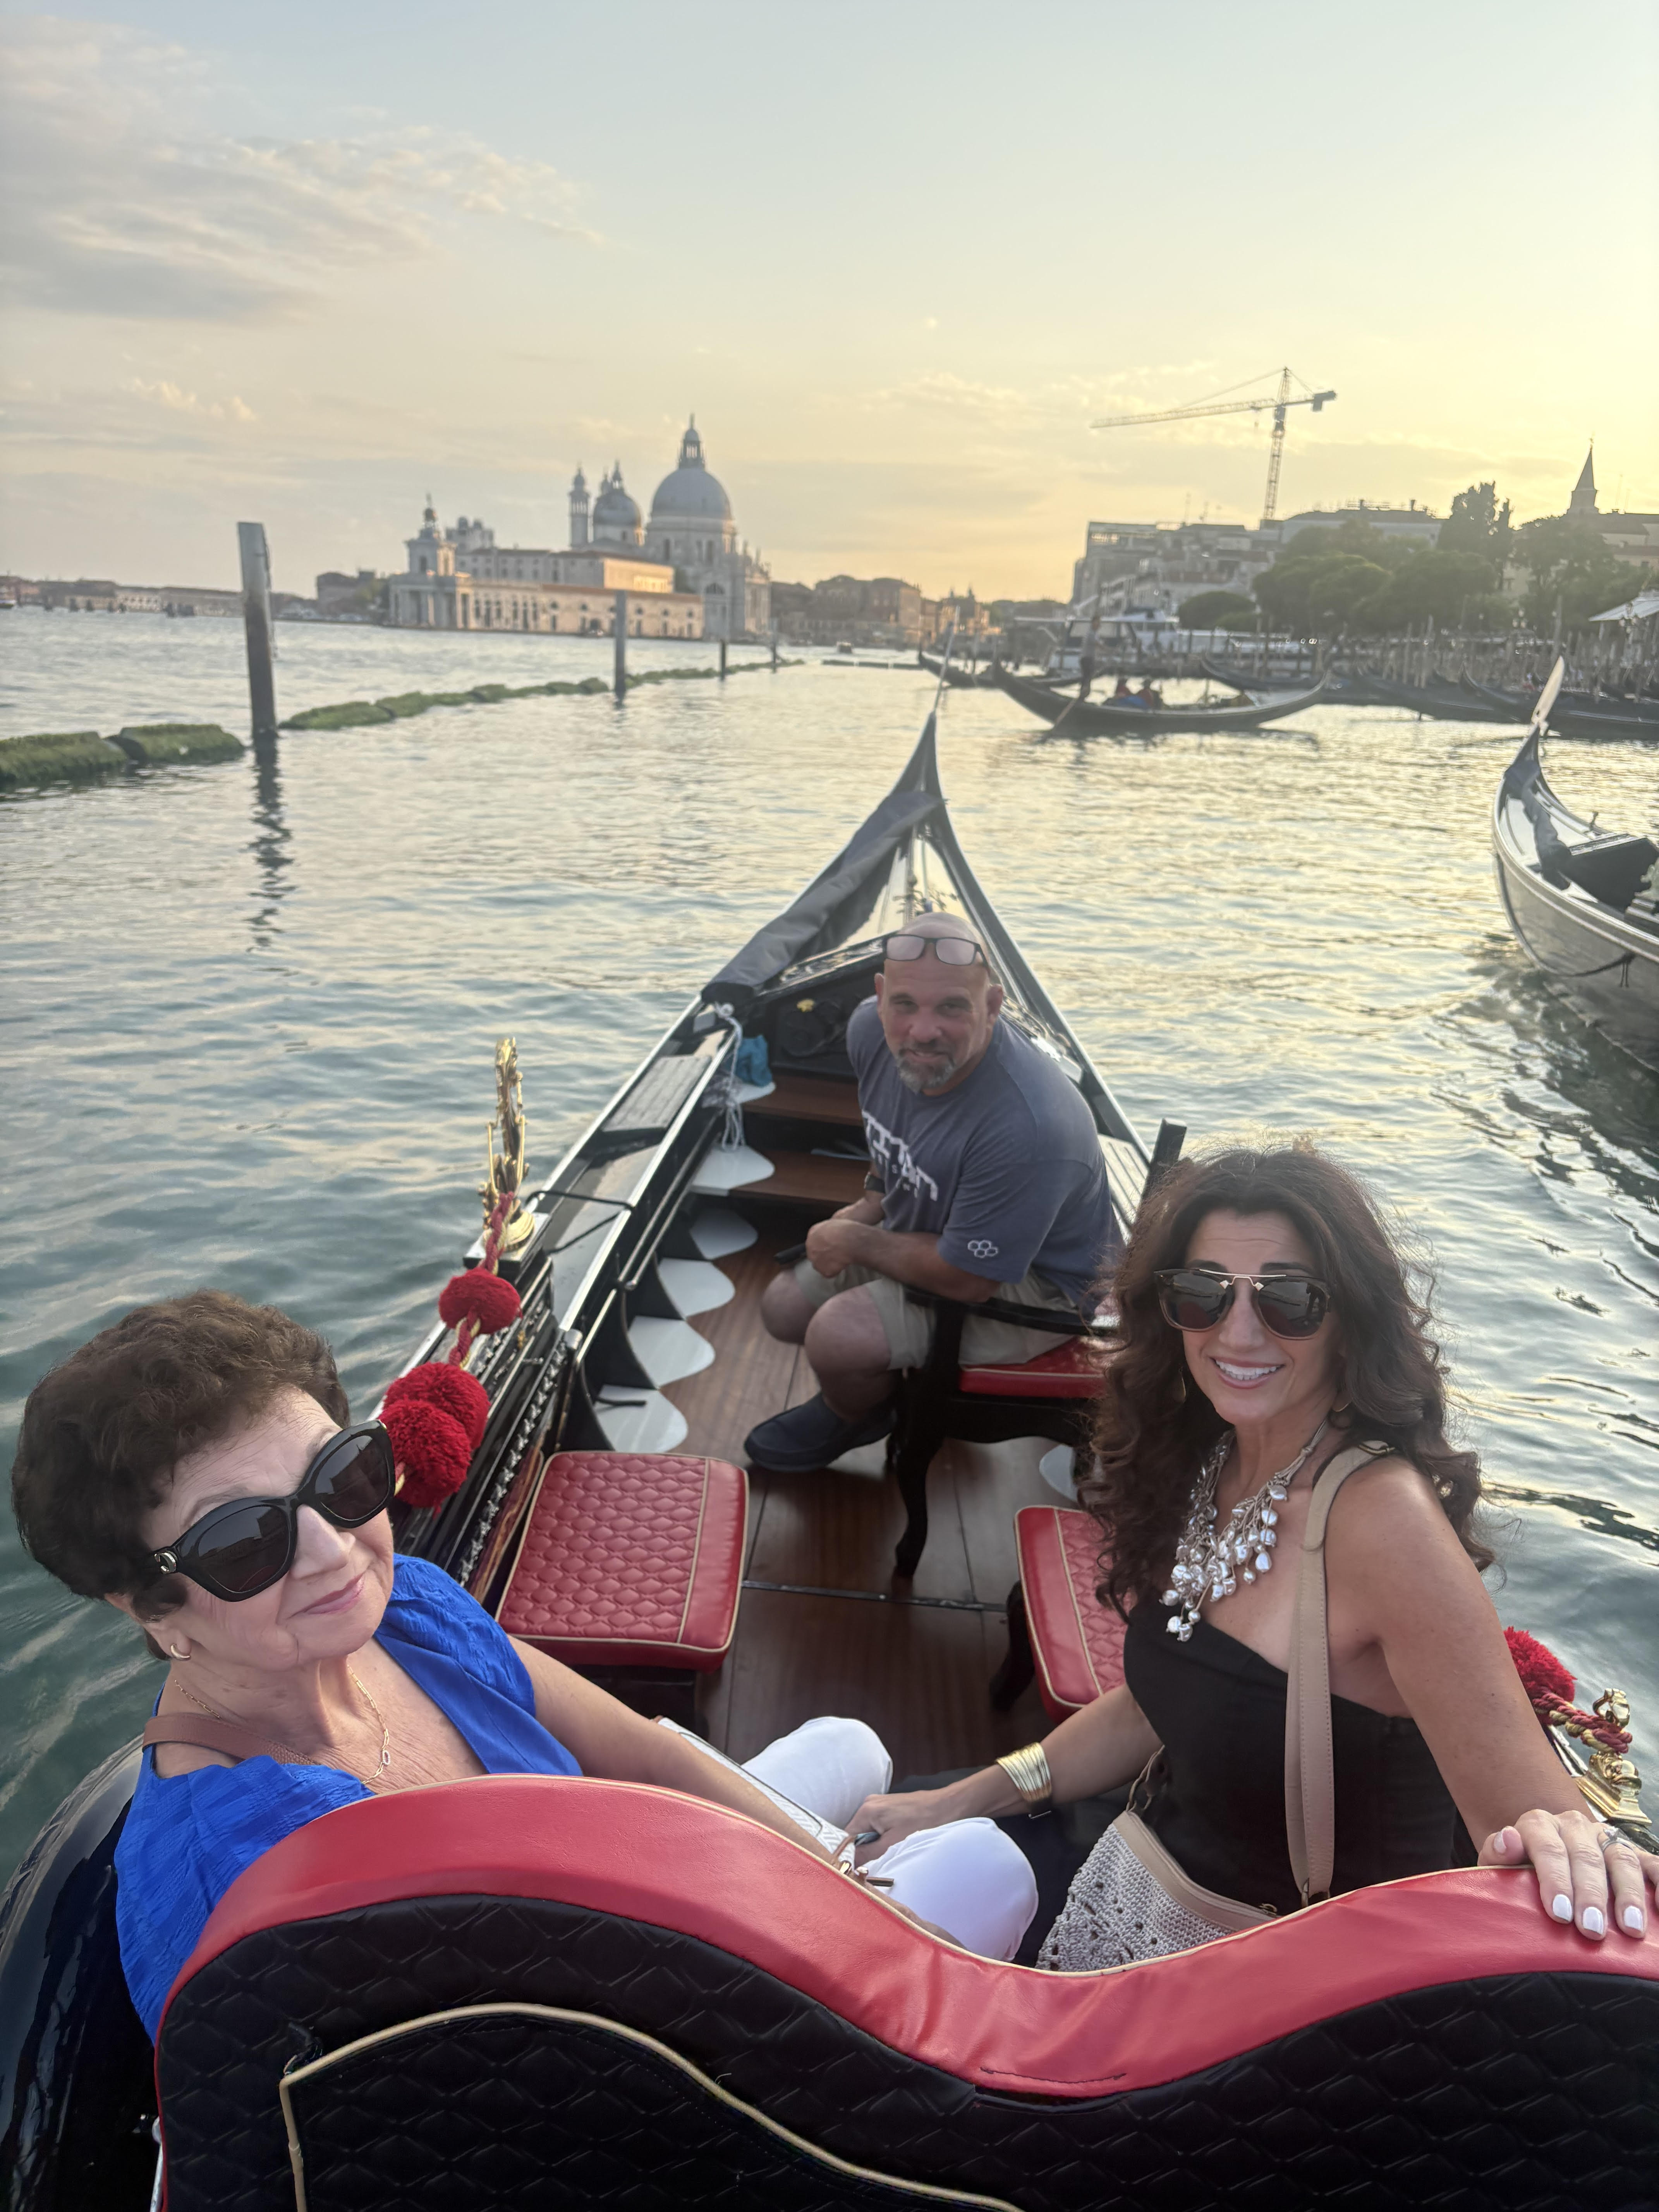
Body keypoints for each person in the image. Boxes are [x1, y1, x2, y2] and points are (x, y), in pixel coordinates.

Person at [10, 1292, 1037, 2037]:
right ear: (146, 1605)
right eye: (242, 1540)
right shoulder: (252, 1884)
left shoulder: (407, 1609)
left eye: (342, 1476)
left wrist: (843, 1899)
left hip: (632, 1881)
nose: (333, 1549)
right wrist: (857, 1952)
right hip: (629, 2025)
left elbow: (641, 1752)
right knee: (986, 1866)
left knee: (851, 1744)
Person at [844, 1146, 1659, 1966]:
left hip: (1272, 1973)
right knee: (864, 1793)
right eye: (1201, 1293)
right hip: (1149, 1865)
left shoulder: (1384, 1523)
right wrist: (960, 1799)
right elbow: (1152, 1707)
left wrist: (1579, 1847)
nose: (1237, 1332)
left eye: (1290, 1300)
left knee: (865, 1914)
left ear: (1352, 1319)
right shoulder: (1212, 1458)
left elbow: (1533, 1827)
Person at [744, 914, 1118, 1474]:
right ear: (879, 997)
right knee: (784, 1308)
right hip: (938, 1228)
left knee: (837, 1337)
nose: (922, 1031)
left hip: (1039, 1285)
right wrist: (874, 1198)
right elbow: (888, 1126)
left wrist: (855, 1240)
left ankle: (856, 1413)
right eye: (905, 1004)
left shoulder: (1032, 1127)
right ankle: (884, 1386)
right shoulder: (869, 1029)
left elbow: (969, 1279)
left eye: (951, 1007)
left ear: (992, 1006)